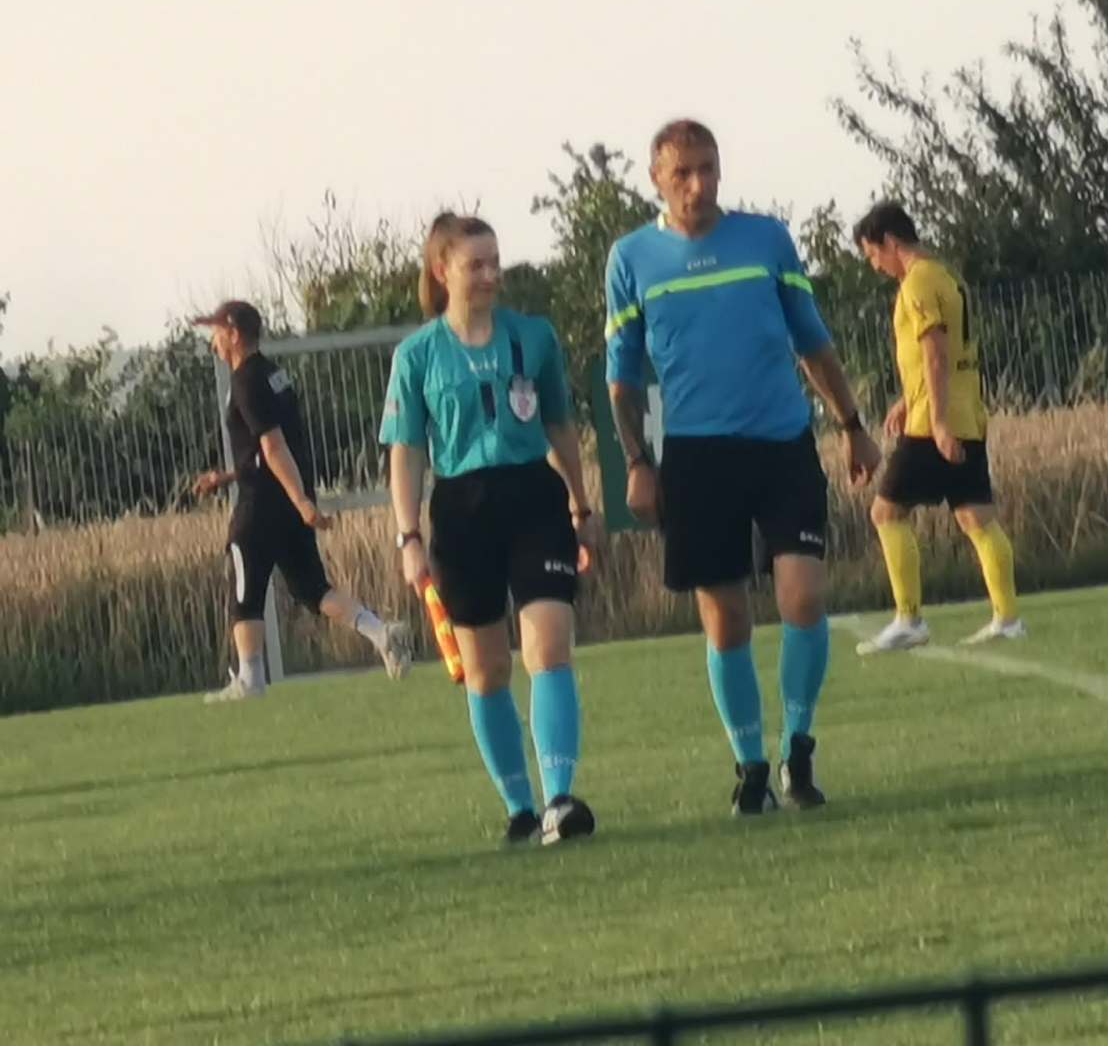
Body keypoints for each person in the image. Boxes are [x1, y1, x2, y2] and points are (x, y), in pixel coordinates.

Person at [605, 119, 880, 814]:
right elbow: (622, 376)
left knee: (802, 597)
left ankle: (799, 748)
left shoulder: (766, 240)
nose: (699, 184)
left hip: (781, 442)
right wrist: (637, 460)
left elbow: (811, 340)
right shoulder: (631, 259)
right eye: (683, 173)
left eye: (709, 168)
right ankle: (751, 765)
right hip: (696, 456)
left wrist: (852, 425)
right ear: (657, 180)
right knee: (725, 620)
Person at [381, 213, 600, 846]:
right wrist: (408, 537)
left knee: (548, 647)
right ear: (441, 271)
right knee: (486, 670)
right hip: (461, 510)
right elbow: (406, 452)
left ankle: (559, 800)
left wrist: (581, 506)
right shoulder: (417, 355)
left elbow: (560, 425)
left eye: (495, 262)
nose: (489, 275)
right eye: (475, 264)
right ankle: (520, 808)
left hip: (534, 498)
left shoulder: (534, 337)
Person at [191, 300, 413, 702]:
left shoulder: (245, 381)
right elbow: (268, 452)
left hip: (261, 505)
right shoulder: (273, 374)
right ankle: (381, 633)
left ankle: (249, 680)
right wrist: (229, 477)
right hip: (286, 502)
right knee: (313, 588)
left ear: (234, 334)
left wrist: (302, 502)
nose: (213, 343)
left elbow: (274, 447)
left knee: (244, 590)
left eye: (217, 333)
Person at [851, 200, 1023, 653]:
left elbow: (936, 352)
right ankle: (1008, 619)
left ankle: (909, 619)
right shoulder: (947, 276)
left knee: (886, 512)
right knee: (975, 516)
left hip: (934, 424)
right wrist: (907, 399)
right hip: (967, 414)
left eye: (873, 254)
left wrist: (937, 421)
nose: (876, 266)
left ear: (891, 241)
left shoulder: (917, 282)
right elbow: (947, 354)